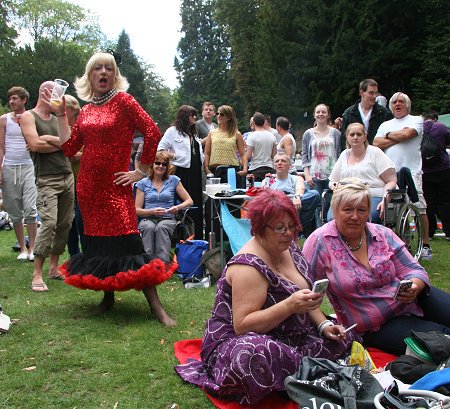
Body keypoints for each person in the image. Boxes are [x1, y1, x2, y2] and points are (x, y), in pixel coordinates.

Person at [175, 189, 357, 405]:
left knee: (341, 334)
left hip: (291, 334)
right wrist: (289, 306)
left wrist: (324, 325)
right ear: (260, 229)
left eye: (292, 226)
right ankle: (303, 370)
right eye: (280, 228)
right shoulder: (248, 265)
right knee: (255, 355)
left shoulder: (288, 247)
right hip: (241, 338)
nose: (288, 233)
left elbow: (306, 301)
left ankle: (300, 370)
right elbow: (242, 325)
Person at [48, 52, 176, 325]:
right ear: (89, 76)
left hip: (116, 187)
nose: (103, 73)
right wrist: (60, 116)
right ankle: (107, 298)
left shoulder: (124, 101)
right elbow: (70, 148)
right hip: (89, 188)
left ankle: (156, 307)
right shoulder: (86, 110)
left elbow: (152, 131)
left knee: (129, 241)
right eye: (98, 69)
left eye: (109, 68)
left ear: (114, 74)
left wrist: (141, 171)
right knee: (97, 245)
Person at [303, 178, 450, 355]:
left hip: (415, 298)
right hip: (377, 324)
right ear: (335, 210)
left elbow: (413, 268)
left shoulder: (382, 234)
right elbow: (307, 293)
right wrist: (324, 324)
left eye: (361, 210)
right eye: (348, 210)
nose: (355, 216)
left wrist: (415, 285)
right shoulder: (320, 242)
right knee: (443, 340)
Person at [20, 81, 75, 292]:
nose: (58, 95)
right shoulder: (28, 116)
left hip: (67, 175)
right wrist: (59, 143)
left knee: (65, 223)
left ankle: (54, 268)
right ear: (43, 92)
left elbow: (70, 146)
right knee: (50, 223)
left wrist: (50, 140)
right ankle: (37, 273)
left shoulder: (57, 119)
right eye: (54, 91)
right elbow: (34, 145)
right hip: (46, 178)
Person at [373, 92, 432, 260]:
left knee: (419, 207)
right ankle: (400, 244)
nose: (397, 104)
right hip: (390, 173)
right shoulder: (386, 123)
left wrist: (388, 136)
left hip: (412, 171)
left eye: (401, 102)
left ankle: (426, 245)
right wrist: (398, 135)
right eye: (394, 102)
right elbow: (376, 144)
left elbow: (408, 135)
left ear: (407, 105)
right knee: (394, 210)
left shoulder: (416, 120)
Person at [329, 122, 397, 224]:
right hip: (347, 196)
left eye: (359, 134)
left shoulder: (375, 152)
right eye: (352, 134)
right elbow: (332, 181)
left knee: (368, 217)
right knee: (333, 218)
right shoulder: (344, 155)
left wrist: (385, 198)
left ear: (365, 137)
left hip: (372, 195)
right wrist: (336, 186)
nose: (355, 137)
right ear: (347, 137)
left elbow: (391, 180)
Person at [0, 86, 38, 261]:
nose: (12, 102)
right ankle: (22, 248)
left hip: (29, 165)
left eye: (15, 98)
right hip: (9, 166)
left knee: (30, 208)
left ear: (23, 100)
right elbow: (1, 146)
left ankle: (33, 248)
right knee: (14, 208)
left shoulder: (31, 117)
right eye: (10, 99)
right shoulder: (3, 119)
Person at [135, 151, 193, 262]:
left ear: (167, 167)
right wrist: (152, 211)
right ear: (152, 164)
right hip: (148, 217)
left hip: (168, 218)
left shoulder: (174, 180)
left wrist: (178, 207)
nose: (160, 166)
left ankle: (161, 264)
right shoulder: (143, 183)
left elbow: (189, 201)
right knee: (148, 227)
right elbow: (136, 210)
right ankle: (147, 264)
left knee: (162, 227)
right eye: (157, 163)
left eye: (164, 164)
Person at [157, 105, 204, 240]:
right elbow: (161, 150)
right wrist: (175, 156)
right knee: (182, 204)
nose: (195, 117)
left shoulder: (193, 134)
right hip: (181, 173)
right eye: (192, 115)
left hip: (195, 173)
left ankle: (197, 238)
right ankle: (180, 239)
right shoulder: (172, 132)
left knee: (196, 204)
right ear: (184, 116)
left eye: (195, 115)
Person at [262, 154, 320, 236]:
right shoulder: (267, 180)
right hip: (275, 209)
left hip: (295, 207)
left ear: (290, 165)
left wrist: (297, 197)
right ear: (274, 166)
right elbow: (264, 197)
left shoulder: (297, 178)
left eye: (283, 161)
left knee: (314, 194)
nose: (280, 163)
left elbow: (300, 189)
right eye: (277, 161)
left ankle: (295, 227)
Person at [302, 104, 341, 222]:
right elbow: (305, 156)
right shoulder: (308, 134)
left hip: (332, 175)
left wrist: (339, 175)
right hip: (314, 176)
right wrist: (307, 175)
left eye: (323, 112)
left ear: (328, 115)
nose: (320, 114)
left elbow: (339, 154)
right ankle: (318, 232)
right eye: (318, 112)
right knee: (317, 207)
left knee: (331, 204)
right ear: (314, 115)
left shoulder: (335, 133)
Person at [336, 79, 393, 150]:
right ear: (362, 92)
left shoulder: (384, 113)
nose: (374, 96)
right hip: (355, 156)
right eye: (371, 93)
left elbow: (390, 137)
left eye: (376, 93)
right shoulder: (349, 113)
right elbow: (344, 140)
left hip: (378, 155)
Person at [421, 111, 450, 241]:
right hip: (443, 169)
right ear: (436, 119)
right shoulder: (441, 127)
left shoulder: (418, 127)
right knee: (445, 201)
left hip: (425, 171)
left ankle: (430, 232)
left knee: (428, 202)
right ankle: (448, 231)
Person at [64, 95, 84, 257]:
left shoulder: (84, 127)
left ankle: (87, 254)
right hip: (64, 179)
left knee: (81, 219)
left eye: (64, 109)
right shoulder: (61, 128)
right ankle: (74, 255)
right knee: (68, 220)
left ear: (73, 109)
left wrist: (79, 156)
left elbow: (98, 154)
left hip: (83, 180)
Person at [246, 112, 277, 182]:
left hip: (255, 169)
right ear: (264, 122)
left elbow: (248, 156)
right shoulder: (272, 136)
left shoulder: (251, 136)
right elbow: (274, 156)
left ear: (253, 122)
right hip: (269, 168)